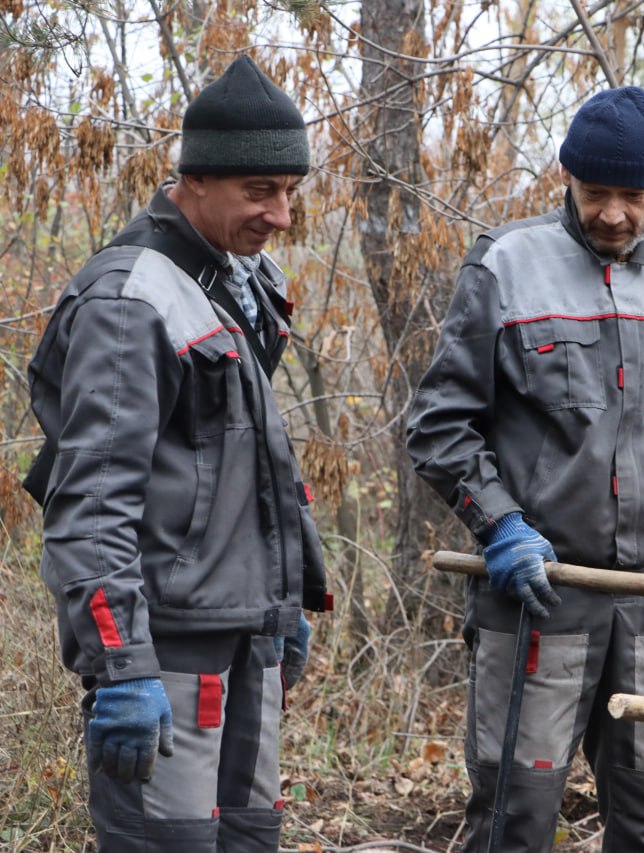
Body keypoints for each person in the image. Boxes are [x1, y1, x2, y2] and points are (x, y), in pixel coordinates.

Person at [406, 85, 644, 852]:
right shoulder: (507, 265)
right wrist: (502, 524)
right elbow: (437, 423)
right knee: (515, 815)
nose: (615, 214)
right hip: (539, 598)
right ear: (567, 176)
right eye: (597, 193)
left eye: (633, 195)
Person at [25, 55, 329, 852]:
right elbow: (90, 506)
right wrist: (122, 666)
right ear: (192, 179)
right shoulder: (133, 300)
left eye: (290, 191)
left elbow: (254, 457)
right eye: (260, 192)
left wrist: (289, 591)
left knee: (250, 836)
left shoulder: (234, 279)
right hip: (165, 656)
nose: (282, 214)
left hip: (247, 640)